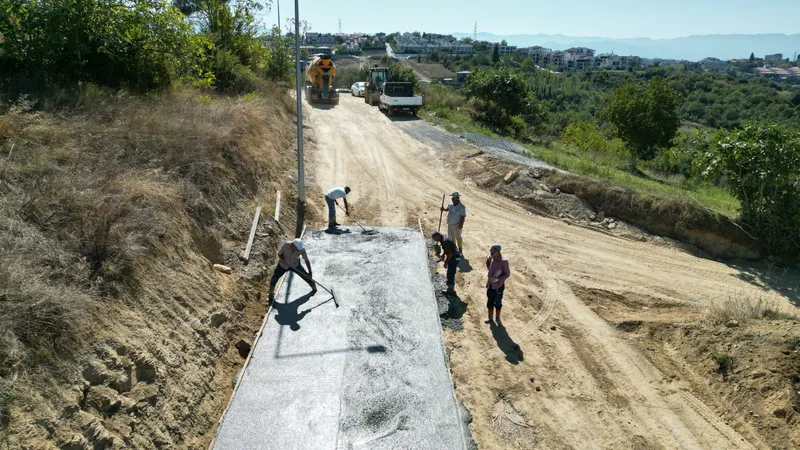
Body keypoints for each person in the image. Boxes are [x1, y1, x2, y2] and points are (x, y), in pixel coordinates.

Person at [268, 238, 317, 304]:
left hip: (295, 265)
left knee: (306, 277)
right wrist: (284, 260)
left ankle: (314, 289)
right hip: (283, 265)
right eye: (296, 248)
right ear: (293, 245)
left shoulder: (301, 249)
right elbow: (279, 254)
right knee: (274, 278)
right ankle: (271, 295)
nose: (297, 250)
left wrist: (310, 273)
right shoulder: (286, 246)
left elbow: (306, 260)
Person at [485, 243, 510, 324]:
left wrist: (498, 279)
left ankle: (497, 318)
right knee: (490, 302)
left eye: (492, 250)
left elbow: (507, 274)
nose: (490, 251)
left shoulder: (504, 261)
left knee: (498, 303)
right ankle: (490, 318)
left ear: (497, 251)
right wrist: (487, 262)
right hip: (490, 285)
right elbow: (490, 267)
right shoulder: (492, 258)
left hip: (498, 287)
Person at [431, 231, 462, 296]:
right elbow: (447, 249)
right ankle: (449, 284)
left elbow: (450, 254)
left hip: (454, 257)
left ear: (437, 236)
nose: (435, 241)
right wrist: (443, 255)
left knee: (450, 273)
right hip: (455, 255)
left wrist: (446, 263)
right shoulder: (444, 237)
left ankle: (451, 290)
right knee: (450, 272)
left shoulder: (444, 241)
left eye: (435, 239)